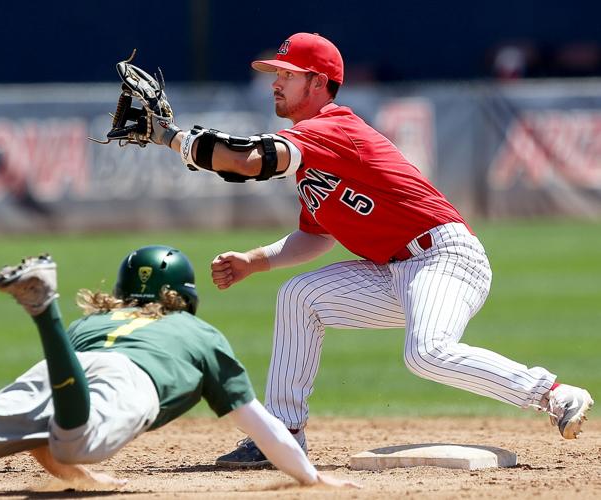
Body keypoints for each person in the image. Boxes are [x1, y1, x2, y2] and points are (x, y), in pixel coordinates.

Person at [126, 32, 594, 467]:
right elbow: (317, 235)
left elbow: (247, 161)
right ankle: (283, 435)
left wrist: (170, 137)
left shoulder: (332, 128)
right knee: (299, 296)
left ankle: (553, 393)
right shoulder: (313, 155)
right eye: (276, 74)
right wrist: (256, 260)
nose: (275, 83)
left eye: (287, 74)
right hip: (394, 270)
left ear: (318, 81)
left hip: (445, 257)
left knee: (427, 353)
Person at [0, 245, 359, 488]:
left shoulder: (97, 322)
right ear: (184, 295)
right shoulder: (200, 334)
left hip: (70, 367)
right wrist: (311, 477)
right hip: (127, 382)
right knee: (79, 439)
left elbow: (50, 425)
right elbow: (261, 425)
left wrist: (78, 477)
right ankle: (43, 307)